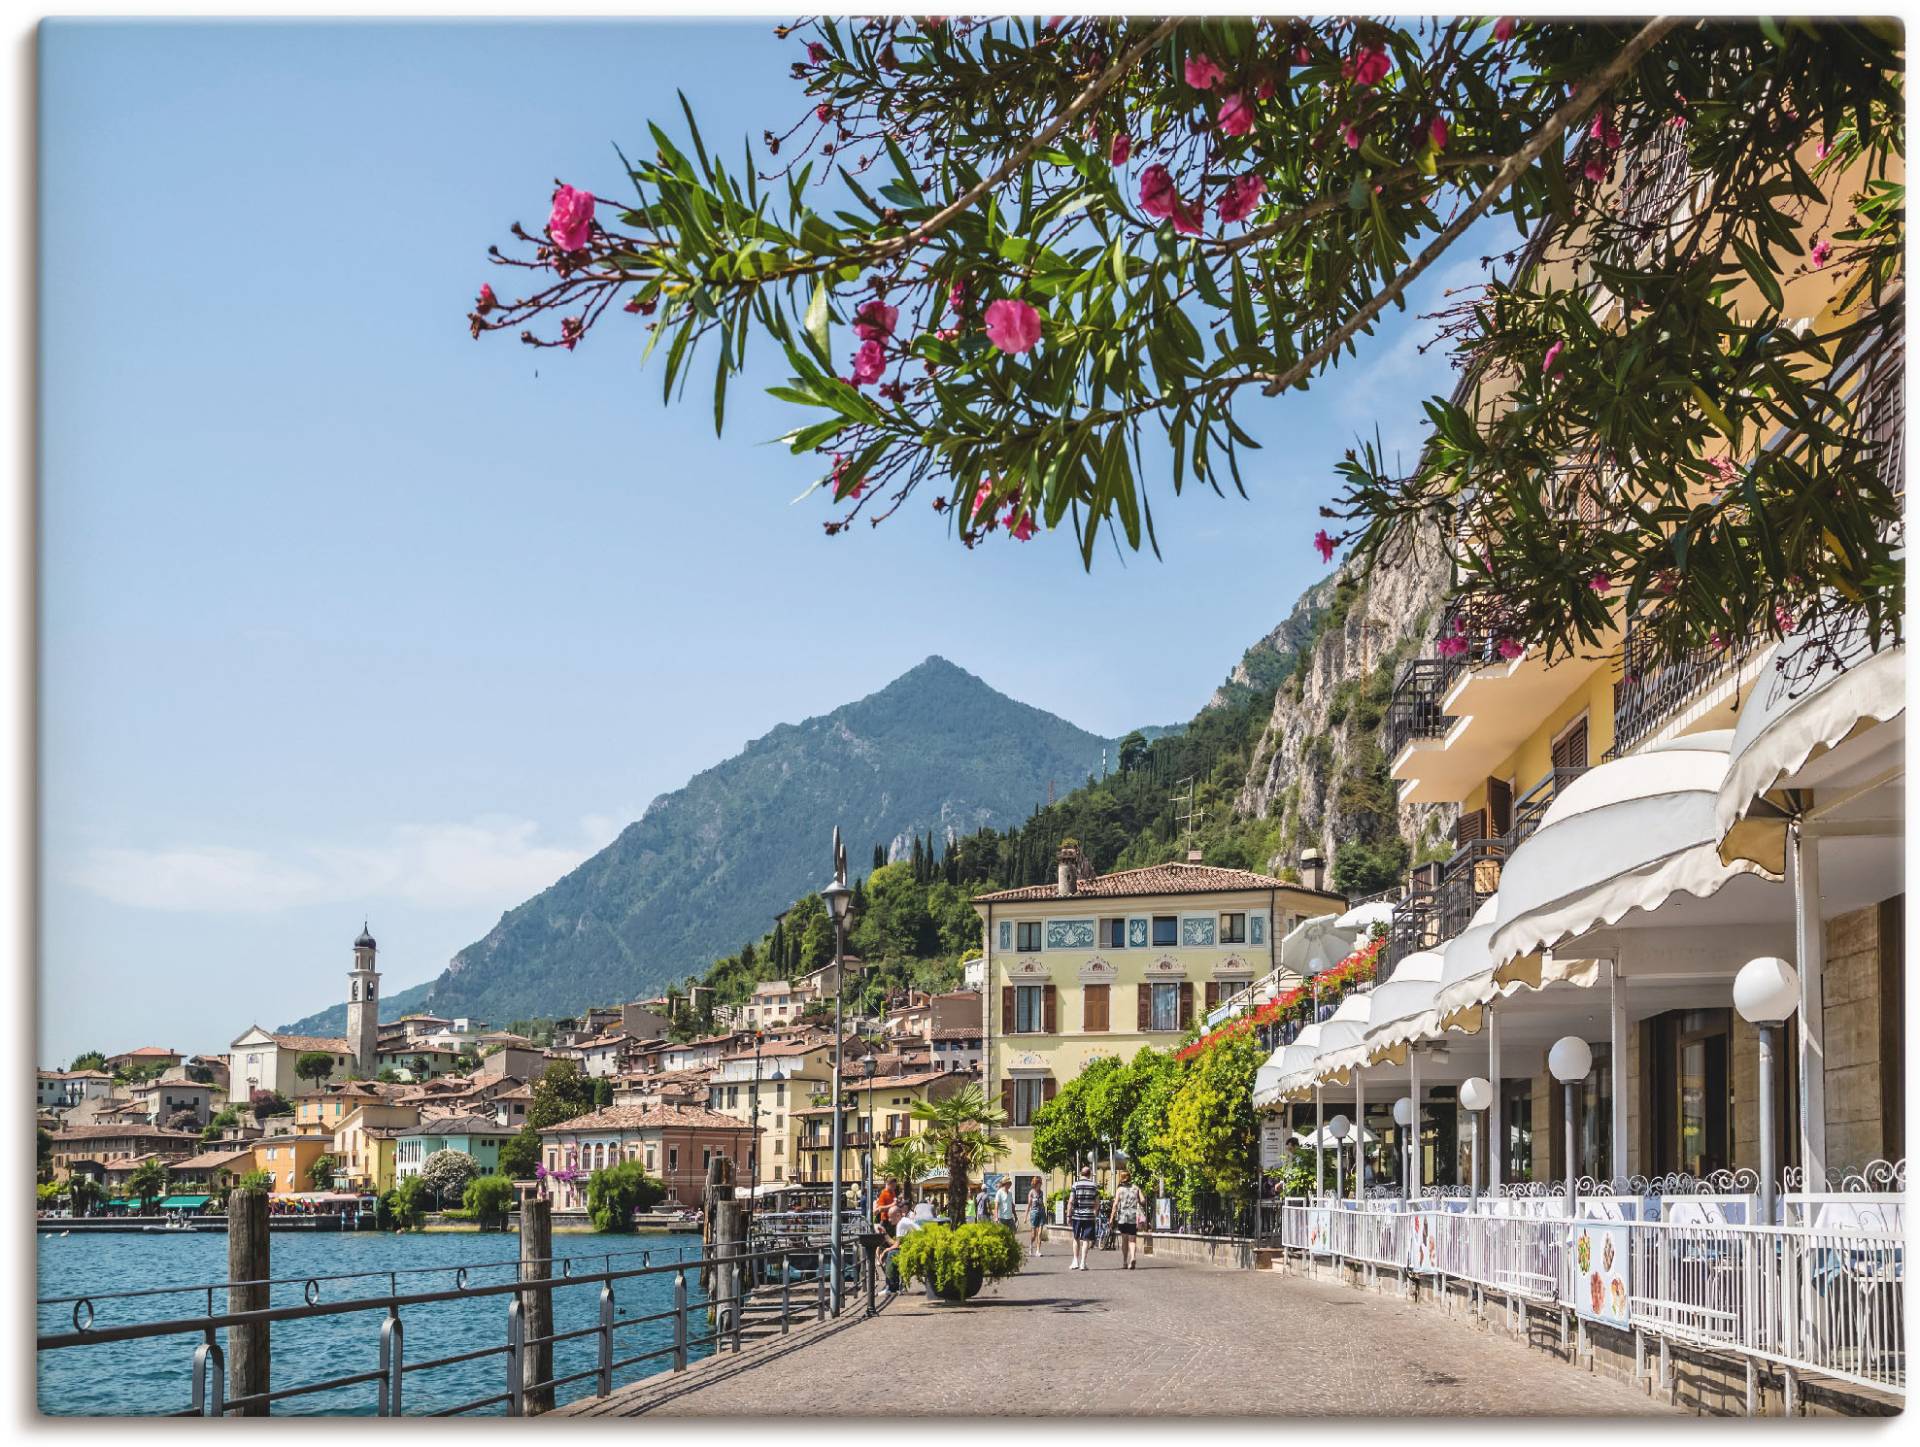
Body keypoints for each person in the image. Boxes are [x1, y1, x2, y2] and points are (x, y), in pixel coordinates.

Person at [1108, 1169, 1145, 1270]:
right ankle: (1133, 1257)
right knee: (1132, 1239)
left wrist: (1111, 1217)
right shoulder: (1136, 1188)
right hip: (1133, 1217)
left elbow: (1115, 1204)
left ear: (1121, 1179)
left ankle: (1125, 1261)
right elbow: (1143, 1200)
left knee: (1124, 1239)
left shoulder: (1119, 1190)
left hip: (1123, 1217)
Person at [1066, 1165, 1101, 1270]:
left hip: (1077, 1215)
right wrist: (1094, 1213)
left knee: (1076, 1238)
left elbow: (1071, 1201)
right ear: (1089, 1174)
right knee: (1086, 1240)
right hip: (1089, 1216)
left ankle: (1075, 1261)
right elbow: (1097, 1203)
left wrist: (1068, 1215)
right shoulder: (1094, 1186)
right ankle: (1083, 1263)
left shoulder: (1075, 1184)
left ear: (1081, 1174)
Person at [1026, 1181, 1047, 1257]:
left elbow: (1042, 1203)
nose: (1040, 1185)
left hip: (1041, 1213)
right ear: (1035, 1184)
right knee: (1033, 1235)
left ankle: (1038, 1251)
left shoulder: (1041, 1192)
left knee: (1040, 1233)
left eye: (1041, 1184)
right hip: (1034, 1213)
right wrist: (1026, 1216)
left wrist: (1044, 1212)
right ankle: (1031, 1245)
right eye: (1039, 1184)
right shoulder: (1031, 1192)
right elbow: (1029, 1204)